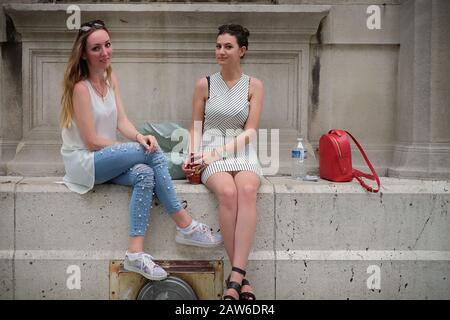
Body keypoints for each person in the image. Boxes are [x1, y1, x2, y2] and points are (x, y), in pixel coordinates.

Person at [60, 20, 222, 281]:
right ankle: (185, 224)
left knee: (145, 172)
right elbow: (91, 141)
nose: (105, 53)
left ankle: (135, 254)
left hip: (107, 159)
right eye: (96, 48)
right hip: (85, 162)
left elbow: (121, 121)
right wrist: (133, 147)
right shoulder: (81, 88)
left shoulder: (111, 78)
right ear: (83, 53)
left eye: (108, 45)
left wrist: (139, 136)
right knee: (151, 152)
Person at [183, 24, 263, 300]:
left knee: (248, 190)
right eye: (218, 46)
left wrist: (219, 153)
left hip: (241, 150)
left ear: (242, 51)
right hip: (210, 149)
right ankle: (242, 278)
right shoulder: (203, 84)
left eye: (228, 46)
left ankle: (235, 277)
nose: (221, 51)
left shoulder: (254, 86)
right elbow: (195, 126)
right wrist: (195, 155)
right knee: (227, 192)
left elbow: (250, 130)